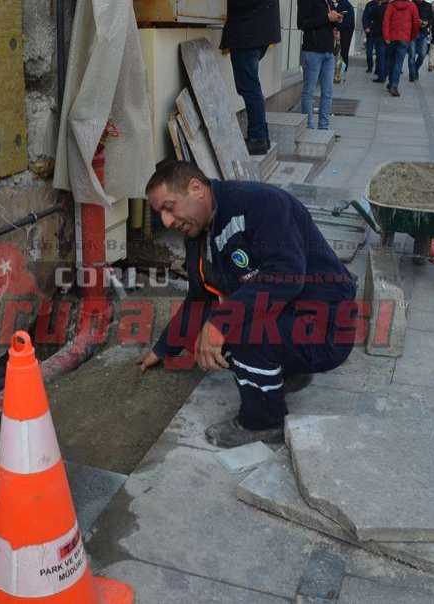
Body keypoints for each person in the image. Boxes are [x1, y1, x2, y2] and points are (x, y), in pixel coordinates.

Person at [139, 162, 357, 447]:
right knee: (207, 332)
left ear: (196, 188)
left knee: (235, 330)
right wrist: (163, 348)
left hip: (325, 327)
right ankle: (285, 372)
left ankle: (263, 423)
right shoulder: (199, 234)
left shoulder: (261, 203)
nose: (166, 222)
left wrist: (220, 323)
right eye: (160, 214)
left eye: (170, 207)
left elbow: (286, 276)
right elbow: (199, 298)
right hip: (293, 317)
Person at [221, 0, 282, 156]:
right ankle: (262, 136)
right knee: (252, 87)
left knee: (249, 88)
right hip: (258, 33)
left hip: (247, 33)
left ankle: (257, 138)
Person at [299, 0, 344, 129]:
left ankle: (323, 127)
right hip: (312, 51)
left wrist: (336, 20)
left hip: (328, 52)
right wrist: (327, 17)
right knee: (309, 91)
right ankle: (308, 127)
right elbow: (302, 23)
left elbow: (327, 23)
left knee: (328, 92)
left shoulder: (328, 1)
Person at [383, 0, 421, 96]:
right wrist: (412, 36)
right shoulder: (412, 6)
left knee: (391, 61)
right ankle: (394, 85)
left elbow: (386, 21)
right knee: (398, 63)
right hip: (404, 37)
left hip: (391, 37)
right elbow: (416, 23)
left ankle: (391, 83)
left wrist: (386, 36)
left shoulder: (391, 5)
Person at [408, 0, 434, 81]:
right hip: (412, 33)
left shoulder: (428, 5)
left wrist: (427, 23)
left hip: (423, 33)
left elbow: (431, 19)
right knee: (412, 55)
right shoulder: (410, 4)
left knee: (422, 54)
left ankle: (415, 69)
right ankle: (412, 74)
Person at [334, 0, 356, 82]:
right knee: (344, 51)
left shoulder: (343, 4)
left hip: (344, 31)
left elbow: (341, 19)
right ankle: (342, 71)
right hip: (347, 31)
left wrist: (337, 28)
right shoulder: (347, 4)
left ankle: (341, 72)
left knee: (343, 51)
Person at [371, 0, 391, 83]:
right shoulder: (391, 8)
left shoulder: (378, 8)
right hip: (389, 35)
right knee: (387, 57)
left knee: (380, 57)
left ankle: (381, 77)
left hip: (379, 35)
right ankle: (385, 74)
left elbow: (371, 14)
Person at [363, 0, 381, 72]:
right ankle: (370, 67)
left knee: (379, 53)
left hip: (379, 33)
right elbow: (365, 17)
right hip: (370, 32)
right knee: (369, 52)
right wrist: (366, 27)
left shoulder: (383, 4)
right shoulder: (369, 4)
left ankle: (377, 69)